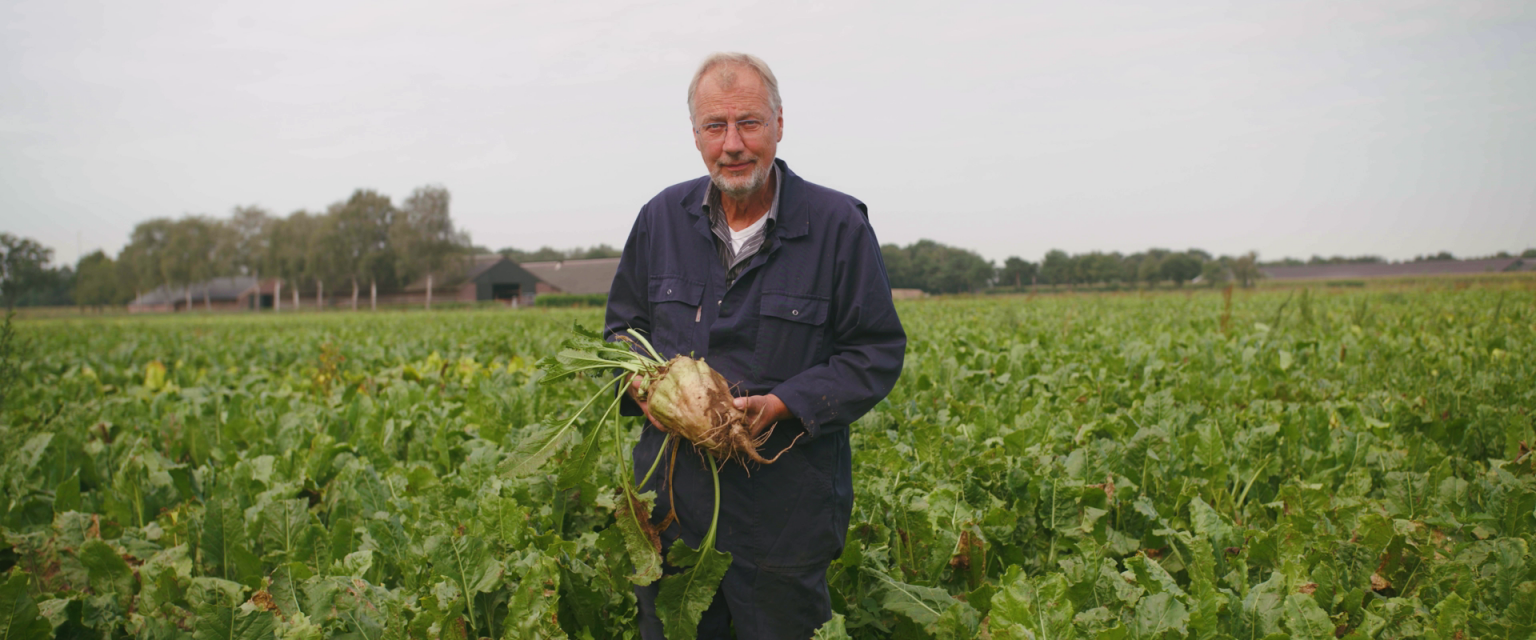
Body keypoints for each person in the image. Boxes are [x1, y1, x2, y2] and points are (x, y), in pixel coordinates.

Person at [604, 52, 906, 638]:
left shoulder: (837, 224)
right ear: (696, 136)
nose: (733, 144)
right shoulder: (660, 218)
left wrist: (784, 404)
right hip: (670, 507)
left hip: (784, 513)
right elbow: (622, 335)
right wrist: (641, 385)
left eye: (750, 123)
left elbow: (874, 350)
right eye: (715, 127)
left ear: (779, 124)